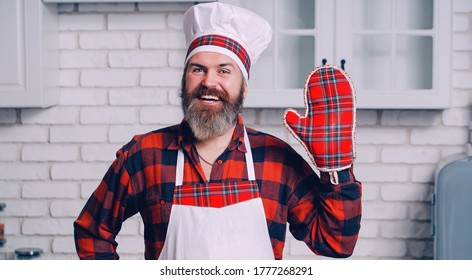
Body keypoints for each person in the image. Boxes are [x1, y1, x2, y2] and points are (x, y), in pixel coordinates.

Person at [74, 2, 362, 260]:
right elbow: (91, 231)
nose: (209, 82)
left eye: (224, 71)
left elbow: (336, 243)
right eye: (198, 69)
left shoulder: (276, 160)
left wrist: (336, 170)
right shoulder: (145, 155)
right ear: (184, 78)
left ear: (244, 87)